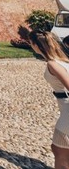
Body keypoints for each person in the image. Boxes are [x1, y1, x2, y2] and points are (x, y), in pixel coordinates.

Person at [28, 30, 69, 168]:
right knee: (58, 148)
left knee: (59, 151)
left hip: (68, 110)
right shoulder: (63, 61)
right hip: (65, 108)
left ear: (35, 45)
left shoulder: (53, 64)